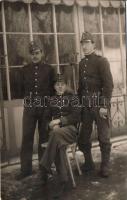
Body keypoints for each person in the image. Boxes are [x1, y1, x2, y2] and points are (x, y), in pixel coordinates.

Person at [18, 41, 56, 179]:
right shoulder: (24, 70)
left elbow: (54, 90)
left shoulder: (49, 69)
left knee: (44, 138)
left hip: (45, 108)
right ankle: (25, 169)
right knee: (27, 137)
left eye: (37, 53)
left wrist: (50, 106)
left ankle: (44, 168)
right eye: (32, 53)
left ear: (42, 53)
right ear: (30, 55)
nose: (35, 56)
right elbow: (20, 90)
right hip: (29, 108)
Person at [78, 32, 114, 177]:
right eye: (82, 43)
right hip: (86, 106)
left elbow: (108, 85)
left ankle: (105, 166)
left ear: (94, 44)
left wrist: (104, 105)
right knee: (83, 138)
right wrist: (78, 104)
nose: (84, 46)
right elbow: (80, 87)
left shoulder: (101, 61)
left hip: (99, 104)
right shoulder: (81, 64)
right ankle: (89, 163)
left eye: (87, 42)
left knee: (104, 138)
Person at [39, 74, 81, 197]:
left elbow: (77, 116)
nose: (60, 86)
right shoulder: (51, 100)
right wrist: (50, 125)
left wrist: (59, 121)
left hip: (71, 131)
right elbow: (45, 119)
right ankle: (63, 180)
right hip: (57, 135)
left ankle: (45, 164)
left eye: (62, 84)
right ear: (54, 86)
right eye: (58, 85)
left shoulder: (73, 97)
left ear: (66, 85)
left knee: (56, 134)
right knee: (59, 143)